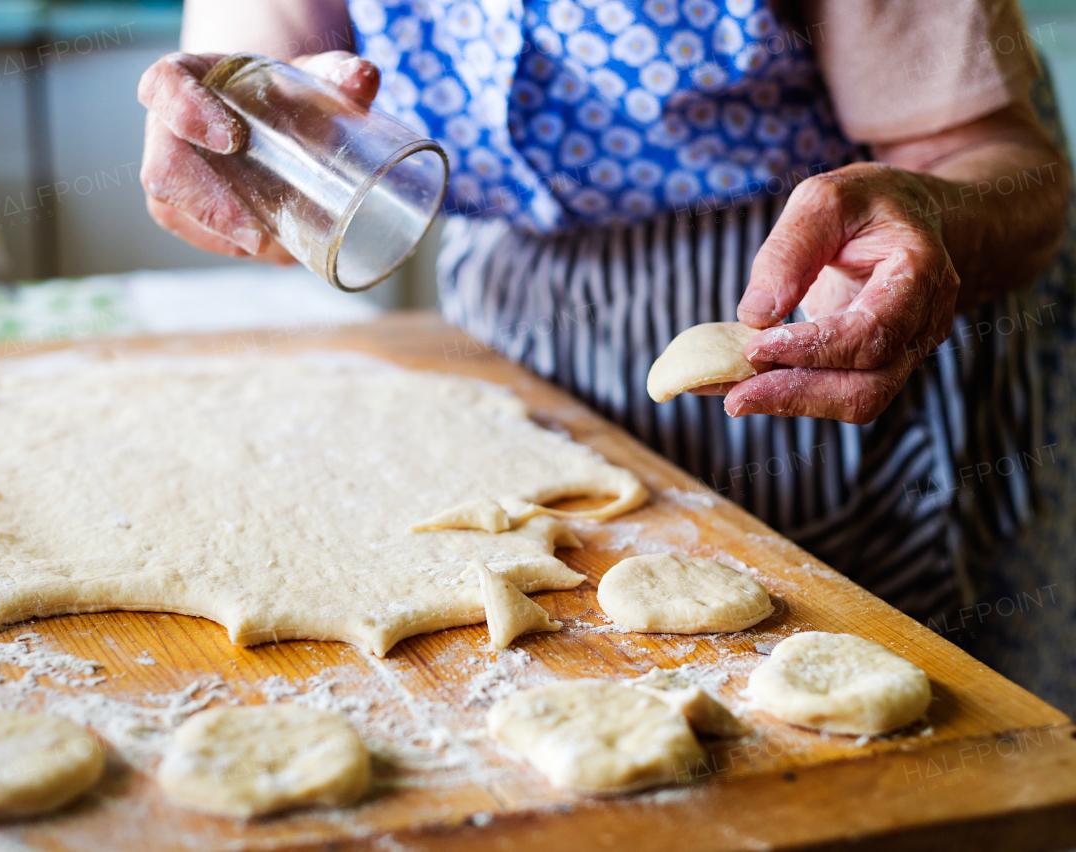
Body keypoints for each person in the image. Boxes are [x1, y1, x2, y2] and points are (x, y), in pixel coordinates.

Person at [138, 0, 1074, 708]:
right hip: (509, 343)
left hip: (811, 326)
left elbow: (1001, 161)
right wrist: (231, 145)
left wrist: (934, 221)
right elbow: (256, 102)